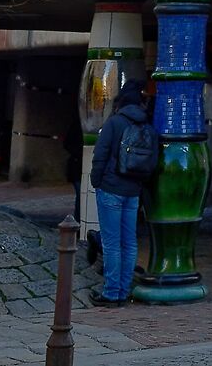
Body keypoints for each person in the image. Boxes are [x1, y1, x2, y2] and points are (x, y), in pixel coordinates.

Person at [87, 80, 151, 308]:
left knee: (112, 243)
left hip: (111, 189)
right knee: (129, 242)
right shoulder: (146, 124)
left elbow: (100, 155)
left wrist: (97, 181)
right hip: (133, 190)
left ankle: (112, 293)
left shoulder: (114, 123)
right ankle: (123, 290)